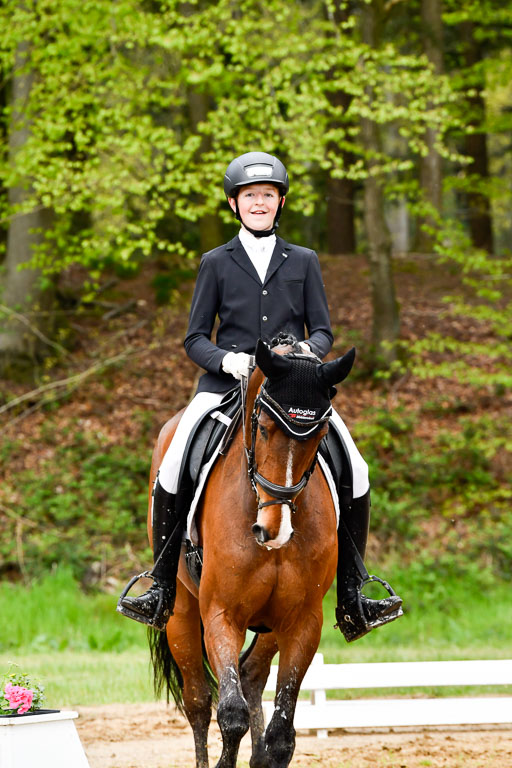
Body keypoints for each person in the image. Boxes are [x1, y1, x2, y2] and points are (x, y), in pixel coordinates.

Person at [118, 151, 402, 641]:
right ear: (234, 204)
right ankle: (162, 585)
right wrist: (229, 360)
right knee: (171, 463)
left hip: (291, 389)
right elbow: (194, 339)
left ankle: (354, 592)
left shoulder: (304, 261)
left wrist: (302, 355)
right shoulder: (216, 263)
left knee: (356, 467)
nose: (259, 203)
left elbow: (324, 330)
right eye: (250, 196)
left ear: (281, 202)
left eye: (267, 196)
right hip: (225, 386)